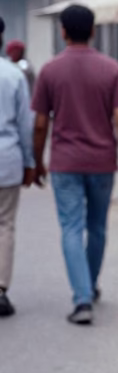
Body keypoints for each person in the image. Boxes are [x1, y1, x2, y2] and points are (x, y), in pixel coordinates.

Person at [31, 4, 118, 324]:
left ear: (63, 32)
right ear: (93, 31)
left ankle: (82, 299)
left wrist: (36, 162)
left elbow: (40, 124)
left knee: (71, 227)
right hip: (102, 162)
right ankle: (89, 287)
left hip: (64, 163)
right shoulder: (110, 69)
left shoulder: (50, 70)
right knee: (97, 227)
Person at [0, 17, 36, 317]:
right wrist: (30, 162)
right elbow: (26, 125)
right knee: (4, 225)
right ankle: (0, 289)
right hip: (6, 158)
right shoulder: (13, 76)